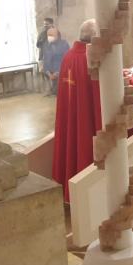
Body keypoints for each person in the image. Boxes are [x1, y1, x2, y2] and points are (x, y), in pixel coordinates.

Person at [52, 19, 102, 203]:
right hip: (85, 121)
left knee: (71, 143)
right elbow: (99, 96)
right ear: (94, 38)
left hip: (71, 116)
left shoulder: (68, 56)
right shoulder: (89, 59)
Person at [43, 27, 70, 96]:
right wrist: (49, 73)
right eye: (48, 35)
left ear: (58, 36)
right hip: (50, 74)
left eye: (51, 35)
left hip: (62, 73)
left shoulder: (64, 44)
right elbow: (46, 60)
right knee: (55, 94)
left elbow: (67, 60)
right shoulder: (46, 45)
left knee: (62, 94)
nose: (49, 37)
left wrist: (57, 73)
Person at [36, 17, 54, 92]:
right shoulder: (42, 34)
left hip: (52, 57)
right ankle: (50, 87)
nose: (45, 26)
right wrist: (41, 41)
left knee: (53, 72)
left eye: (47, 24)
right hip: (43, 56)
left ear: (51, 24)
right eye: (44, 24)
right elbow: (37, 44)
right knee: (43, 71)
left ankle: (54, 88)